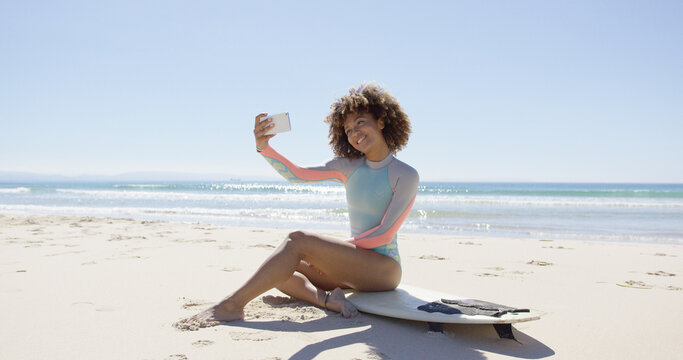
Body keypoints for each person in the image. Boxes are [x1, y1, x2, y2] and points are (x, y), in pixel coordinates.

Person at [183, 83, 419, 327]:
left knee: (298, 241)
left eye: (360, 122)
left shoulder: (405, 174)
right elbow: (296, 174)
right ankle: (328, 301)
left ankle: (231, 306)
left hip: (383, 270)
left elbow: (383, 235)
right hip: (352, 265)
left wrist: (328, 253)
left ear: (381, 121)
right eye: (348, 129)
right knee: (279, 268)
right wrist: (264, 147)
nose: (354, 133)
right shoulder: (348, 167)